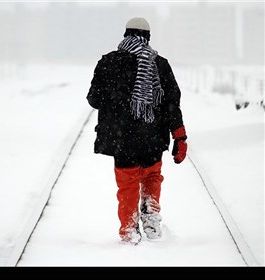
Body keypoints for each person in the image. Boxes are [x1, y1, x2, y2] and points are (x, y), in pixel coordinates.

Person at [86, 17, 188, 245]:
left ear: (125, 34)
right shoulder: (159, 64)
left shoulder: (108, 62)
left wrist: (116, 97)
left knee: (127, 183)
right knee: (152, 176)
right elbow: (172, 103)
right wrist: (179, 135)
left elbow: (93, 99)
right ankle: (151, 217)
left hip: (121, 138)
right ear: (148, 37)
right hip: (152, 135)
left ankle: (129, 229)